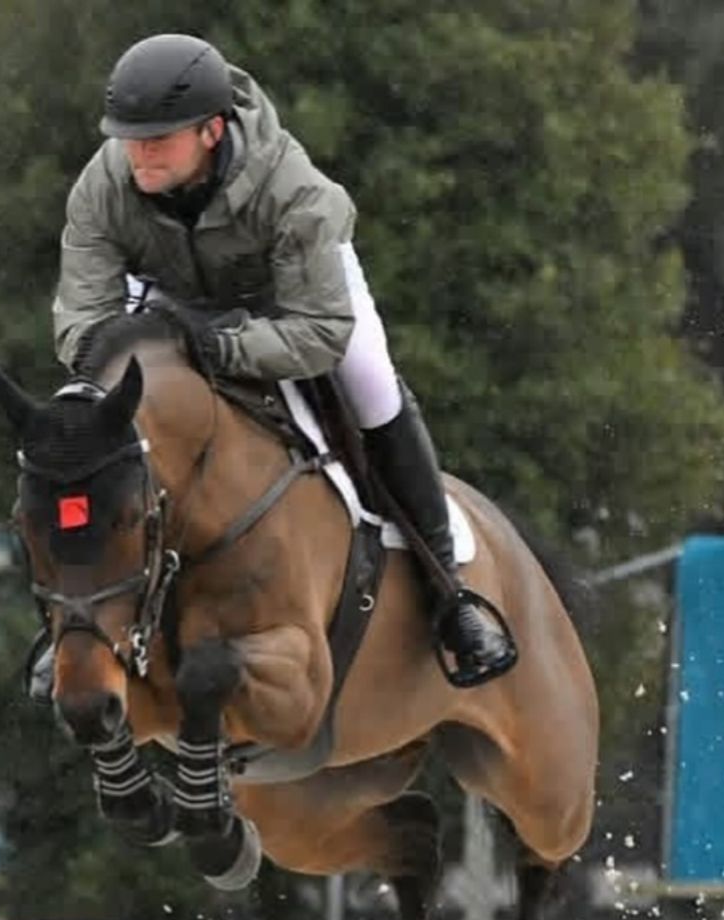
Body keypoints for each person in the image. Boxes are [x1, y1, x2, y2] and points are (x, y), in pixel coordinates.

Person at [36, 32, 517, 694]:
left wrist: (223, 346)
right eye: (129, 137)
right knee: (86, 415)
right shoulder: (103, 186)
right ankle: (73, 618)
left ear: (212, 130)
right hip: (169, 299)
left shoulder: (294, 190)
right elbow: (83, 323)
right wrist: (130, 357)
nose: (138, 152)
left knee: (371, 381)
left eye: (159, 139)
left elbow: (318, 332)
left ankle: (450, 595)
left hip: (293, 300)